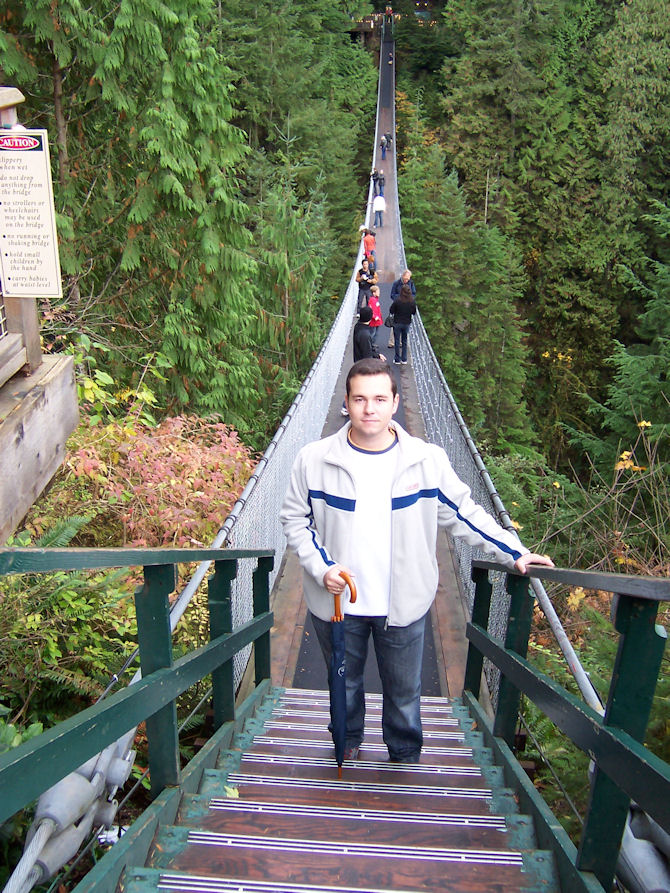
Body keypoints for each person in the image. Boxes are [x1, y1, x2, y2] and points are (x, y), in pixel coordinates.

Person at [280, 358, 554, 763]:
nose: (368, 408)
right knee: (344, 685)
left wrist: (514, 552)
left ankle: (404, 755)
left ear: (394, 402)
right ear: (347, 403)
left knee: (405, 691)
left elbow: (465, 513)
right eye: (359, 399)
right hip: (336, 601)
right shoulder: (314, 459)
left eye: (378, 398)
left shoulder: (425, 460)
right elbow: (295, 520)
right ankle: (347, 743)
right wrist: (324, 569)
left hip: (404, 602)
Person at [340, 308, 385, 415]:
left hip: (359, 362)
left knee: (359, 386)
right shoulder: (365, 334)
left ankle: (348, 406)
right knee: (361, 387)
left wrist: (377, 355)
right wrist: (375, 361)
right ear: (370, 317)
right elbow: (367, 352)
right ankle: (346, 406)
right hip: (364, 365)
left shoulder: (358, 327)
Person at [389, 282, 416, 365]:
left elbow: (391, 310)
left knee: (397, 341)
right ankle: (404, 359)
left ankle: (397, 359)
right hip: (406, 323)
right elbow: (413, 312)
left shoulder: (397, 301)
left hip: (397, 322)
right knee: (404, 341)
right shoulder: (412, 301)